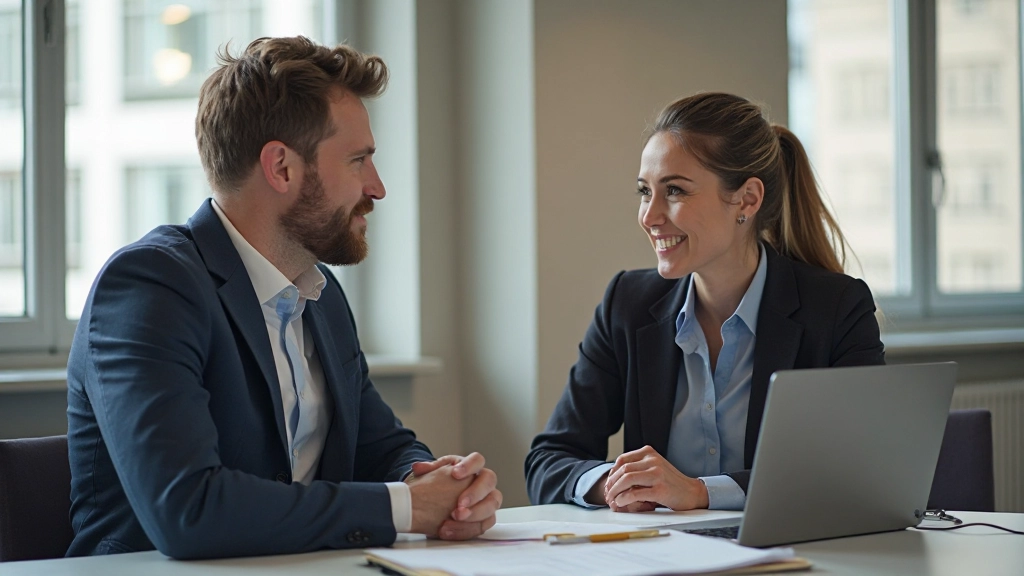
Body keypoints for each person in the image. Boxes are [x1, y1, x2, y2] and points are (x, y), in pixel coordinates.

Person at [66, 37, 501, 559]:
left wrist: (436, 482)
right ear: (282, 168)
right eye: (358, 160)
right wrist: (407, 508)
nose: (378, 187)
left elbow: (379, 446)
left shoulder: (319, 294)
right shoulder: (150, 284)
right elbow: (188, 510)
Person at [525, 92, 885, 513]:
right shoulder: (627, 303)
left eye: (674, 190)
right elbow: (548, 460)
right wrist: (613, 483)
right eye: (645, 191)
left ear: (747, 200)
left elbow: (854, 471)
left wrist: (699, 493)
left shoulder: (837, 308)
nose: (649, 215)